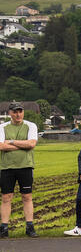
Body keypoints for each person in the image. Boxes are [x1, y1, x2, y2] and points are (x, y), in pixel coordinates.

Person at [0, 101, 39, 238]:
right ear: (10, 113)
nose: (18, 114)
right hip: (7, 167)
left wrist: (10, 142)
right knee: (6, 197)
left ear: (23, 112)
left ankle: (30, 226)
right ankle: (4, 228)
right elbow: (1, 146)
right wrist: (23, 145)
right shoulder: (2, 127)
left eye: (20, 111)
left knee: (27, 196)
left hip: (25, 166)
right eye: (15, 112)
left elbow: (32, 144)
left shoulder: (31, 126)